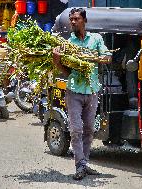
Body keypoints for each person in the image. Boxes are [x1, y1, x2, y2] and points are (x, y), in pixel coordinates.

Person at [52, 8, 111, 180]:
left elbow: (107, 57)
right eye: (71, 19)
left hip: (92, 91)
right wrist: (57, 62)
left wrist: (96, 58)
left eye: (76, 19)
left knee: (89, 129)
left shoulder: (96, 39)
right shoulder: (67, 44)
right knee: (76, 129)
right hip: (74, 91)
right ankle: (80, 165)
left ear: (84, 21)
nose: (73, 22)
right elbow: (66, 71)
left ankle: (84, 162)